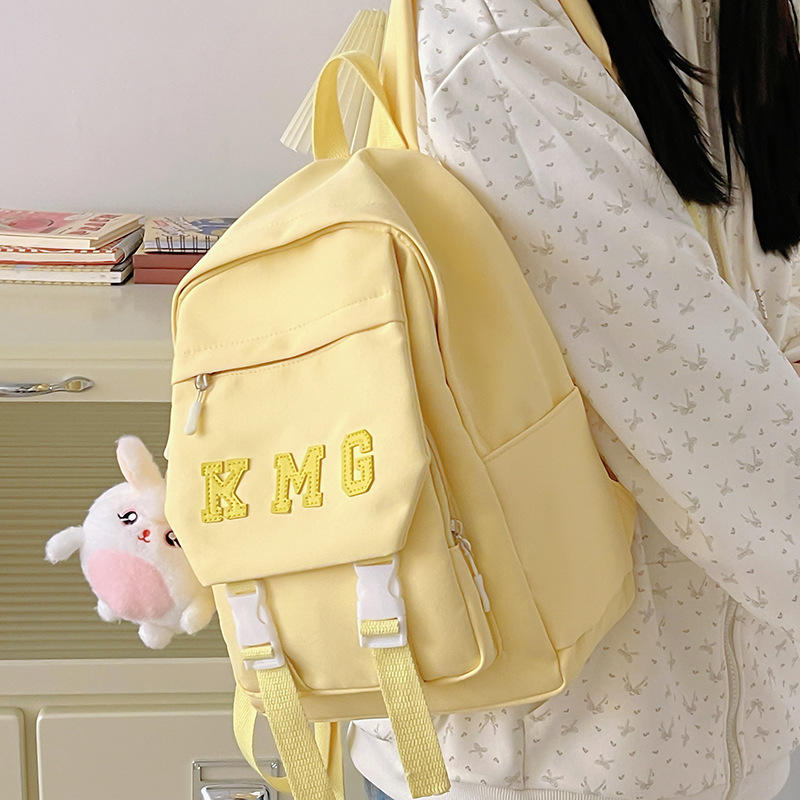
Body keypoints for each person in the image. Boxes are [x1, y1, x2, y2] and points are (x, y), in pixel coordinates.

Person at [348, 1, 800, 799]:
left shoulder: (742, 15)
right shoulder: (497, 23)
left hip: (734, 735)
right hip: (542, 760)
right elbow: (696, 399)